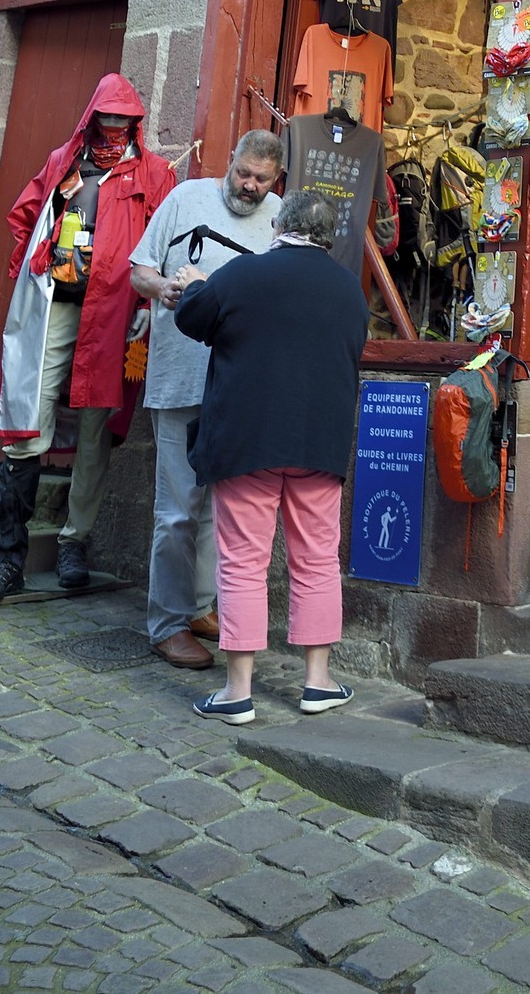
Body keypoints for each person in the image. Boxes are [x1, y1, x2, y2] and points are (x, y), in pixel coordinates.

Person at [0, 73, 174, 609]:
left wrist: (147, 309)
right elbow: (26, 216)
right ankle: (7, 555)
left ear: (135, 123)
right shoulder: (64, 159)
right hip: (56, 307)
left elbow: (165, 248)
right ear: (91, 117)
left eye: (121, 120)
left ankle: (72, 543)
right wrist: (32, 267)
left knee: (96, 426)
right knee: (26, 416)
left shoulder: (154, 174)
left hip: (113, 314)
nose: (112, 128)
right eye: (104, 118)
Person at [172, 186, 369, 723]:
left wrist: (193, 285)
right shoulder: (350, 291)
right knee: (316, 561)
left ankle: (238, 692)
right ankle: (318, 682)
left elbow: (193, 319)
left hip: (247, 442)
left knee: (242, 563)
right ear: (328, 239)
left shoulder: (244, 275)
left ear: (280, 225)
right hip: (317, 443)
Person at [128, 130, 285, 671]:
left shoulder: (279, 216)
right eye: (244, 172)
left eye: (261, 179)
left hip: (239, 384)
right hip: (179, 376)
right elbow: (138, 269)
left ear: (275, 179)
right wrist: (162, 288)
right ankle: (166, 624)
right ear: (231, 160)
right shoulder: (185, 197)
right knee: (176, 510)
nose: (249, 185)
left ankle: (198, 608)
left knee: (221, 509)